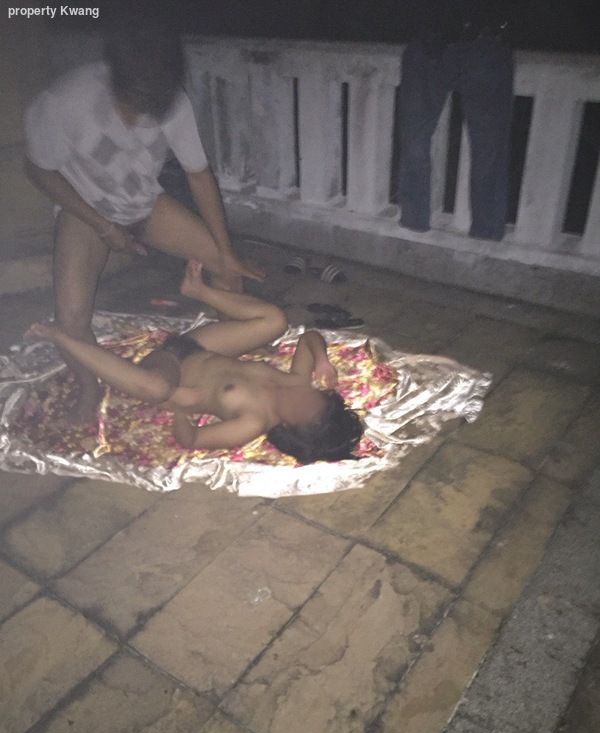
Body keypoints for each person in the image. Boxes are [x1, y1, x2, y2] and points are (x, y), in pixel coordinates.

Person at [24, 25, 263, 423]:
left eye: (157, 93)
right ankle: (89, 387)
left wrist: (226, 252)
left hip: (145, 203)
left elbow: (199, 175)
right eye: (138, 94)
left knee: (226, 269)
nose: (146, 105)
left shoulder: (173, 101)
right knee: (70, 318)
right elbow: (38, 170)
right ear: (115, 73)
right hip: (85, 210)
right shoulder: (65, 101)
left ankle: (221, 364)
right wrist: (103, 226)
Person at [27, 261, 364, 464]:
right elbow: (309, 337)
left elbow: (191, 440)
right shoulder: (297, 382)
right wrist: (322, 360)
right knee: (276, 321)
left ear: (292, 428)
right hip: (202, 343)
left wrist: (181, 409)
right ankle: (198, 290)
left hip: (170, 368)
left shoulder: (252, 423)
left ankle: (62, 338)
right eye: (317, 400)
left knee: (155, 388)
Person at [397, 0, 515, 240]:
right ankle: (413, 223)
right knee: (413, 142)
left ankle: (486, 233)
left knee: (489, 149)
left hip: (484, 40)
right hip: (426, 41)